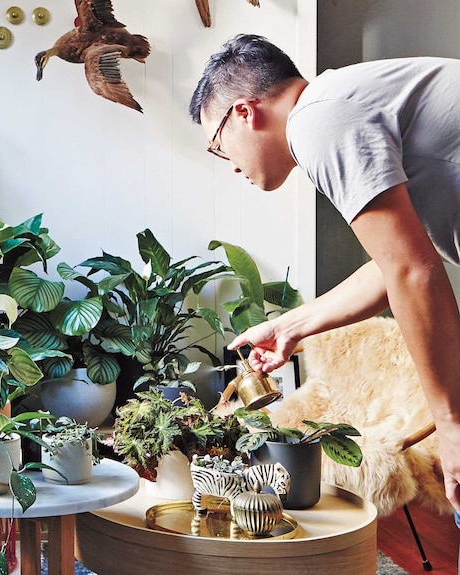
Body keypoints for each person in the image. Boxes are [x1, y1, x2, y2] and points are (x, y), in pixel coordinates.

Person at [189, 34, 460, 528]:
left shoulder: (319, 119)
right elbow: (392, 264)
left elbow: (411, 272)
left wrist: (453, 424)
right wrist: (291, 327)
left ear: (245, 112)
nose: (228, 163)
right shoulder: (341, 105)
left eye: (217, 144)